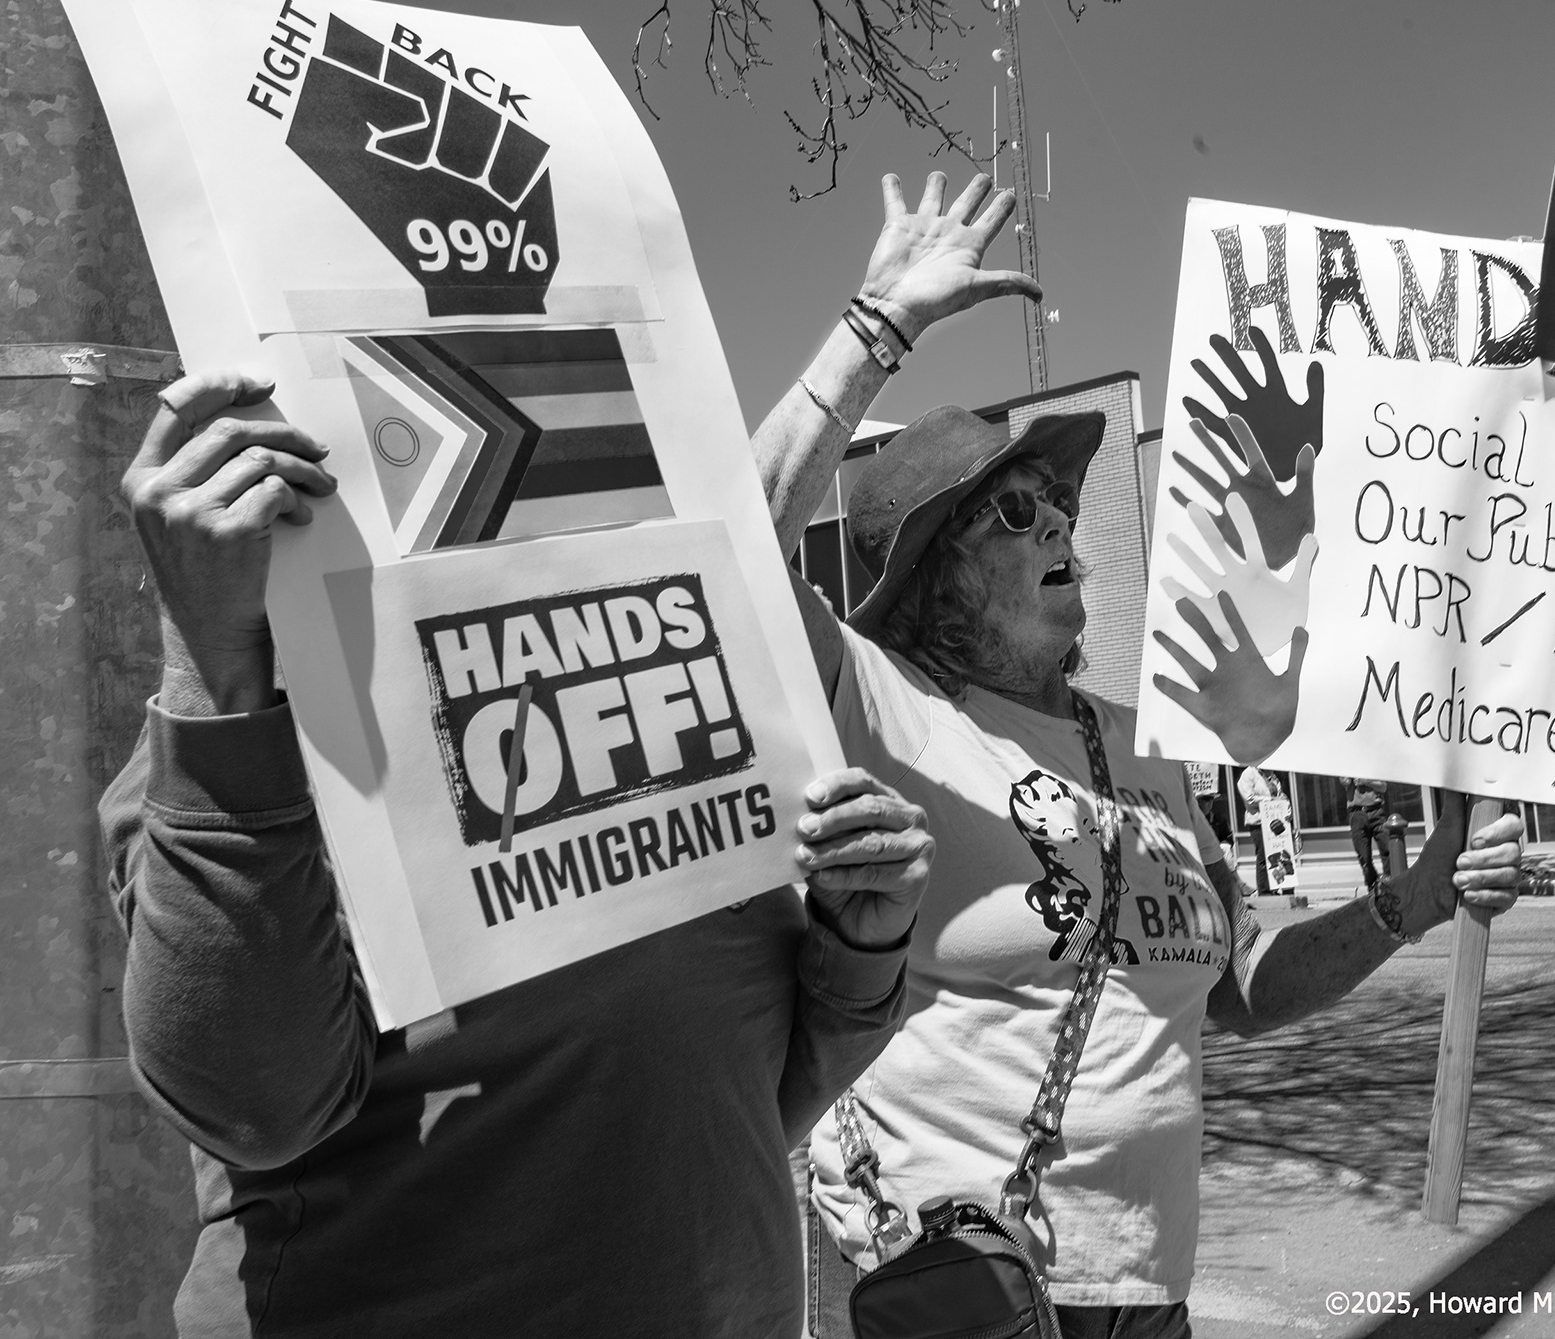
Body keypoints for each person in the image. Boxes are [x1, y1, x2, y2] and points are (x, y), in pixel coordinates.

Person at [93, 169, 1041, 1335]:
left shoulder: (681, 696)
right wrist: (207, 669)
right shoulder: (247, 733)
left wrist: (866, 930)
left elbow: (762, 1092)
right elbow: (254, 1109)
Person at [750, 171, 1526, 1338]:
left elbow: (1239, 990)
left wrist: (1410, 900)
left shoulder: (1140, 748)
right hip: (951, 1283)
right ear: (929, 575)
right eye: (1014, 512)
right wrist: (880, 326)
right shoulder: (880, 699)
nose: (1059, 519)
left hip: (1144, 1293)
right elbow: (729, 551)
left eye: (1059, 499)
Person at [1235, 767, 1296, 896]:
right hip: (1258, 822)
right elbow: (1249, 798)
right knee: (1263, 856)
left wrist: (1286, 808)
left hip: (1277, 821)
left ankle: (1287, 888)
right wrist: (1270, 801)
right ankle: (1265, 891)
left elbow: (1280, 796)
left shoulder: (1272, 775)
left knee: (1283, 855)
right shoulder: (1249, 774)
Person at [1343, 776, 1393, 889]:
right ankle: (1373, 885)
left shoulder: (1373, 765)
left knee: (1387, 849)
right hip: (1357, 814)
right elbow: (1344, 782)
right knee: (1364, 857)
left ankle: (1389, 881)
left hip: (1377, 811)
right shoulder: (1347, 762)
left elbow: (1383, 787)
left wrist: (1367, 782)